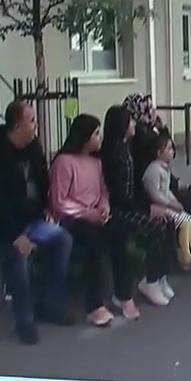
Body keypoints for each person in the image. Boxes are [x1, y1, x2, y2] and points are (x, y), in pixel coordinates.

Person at [0, 100, 75, 344]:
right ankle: (25, 320)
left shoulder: (33, 147)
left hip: (32, 220)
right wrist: (15, 235)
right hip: (2, 227)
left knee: (63, 239)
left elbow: (42, 182)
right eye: (32, 121)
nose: (36, 125)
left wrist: (47, 209)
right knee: (17, 257)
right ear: (17, 126)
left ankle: (51, 303)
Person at [122, 93, 191, 272]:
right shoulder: (141, 136)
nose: (154, 111)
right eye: (149, 108)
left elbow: (165, 154)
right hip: (154, 192)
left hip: (160, 185)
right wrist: (162, 129)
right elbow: (161, 152)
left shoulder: (146, 132)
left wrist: (160, 128)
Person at [47, 113, 138, 327]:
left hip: (96, 214)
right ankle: (94, 305)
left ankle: (123, 294)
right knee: (94, 241)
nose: (100, 138)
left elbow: (103, 191)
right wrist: (89, 214)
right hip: (70, 218)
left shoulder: (96, 162)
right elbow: (59, 201)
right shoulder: (64, 162)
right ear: (85, 137)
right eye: (96, 134)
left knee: (120, 232)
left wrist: (104, 209)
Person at [99, 104, 178, 307]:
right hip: (119, 210)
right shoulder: (112, 155)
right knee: (155, 228)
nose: (134, 124)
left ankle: (160, 276)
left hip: (131, 204)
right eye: (130, 121)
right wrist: (147, 208)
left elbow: (134, 186)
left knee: (166, 222)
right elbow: (119, 195)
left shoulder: (127, 148)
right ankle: (150, 281)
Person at [143, 133, 191, 272]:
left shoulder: (164, 169)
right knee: (184, 222)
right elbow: (155, 194)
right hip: (160, 207)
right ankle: (187, 257)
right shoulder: (154, 171)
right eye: (169, 149)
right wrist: (170, 204)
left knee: (188, 219)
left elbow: (166, 190)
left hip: (167, 204)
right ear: (159, 153)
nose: (172, 151)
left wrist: (174, 200)